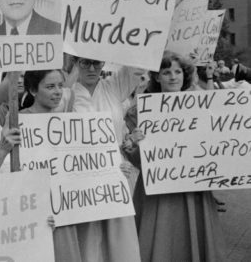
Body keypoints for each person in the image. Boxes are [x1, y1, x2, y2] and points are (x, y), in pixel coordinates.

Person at [124, 52, 226, 261]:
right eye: (166, 72)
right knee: (158, 241)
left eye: (178, 71)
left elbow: (213, 149)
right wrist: (132, 143)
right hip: (156, 191)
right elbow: (138, 162)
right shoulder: (141, 111)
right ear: (157, 77)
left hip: (191, 188)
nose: (173, 76)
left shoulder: (201, 107)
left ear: (185, 75)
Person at [69, 55, 142, 262]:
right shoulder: (67, 93)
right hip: (81, 177)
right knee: (88, 237)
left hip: (116, 174)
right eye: (85, 62)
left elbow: (138, 61)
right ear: (76, 63)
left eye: (97, 63)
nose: (91, 68)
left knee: (119, 238)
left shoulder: (113, 87)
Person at [20, 69, 81, 262]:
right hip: (31, 209)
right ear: (32, 90)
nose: (57, 91)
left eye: (60, 86)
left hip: (62, 208)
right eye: (50, 86)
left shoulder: (66, 120)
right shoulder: (17, 120)